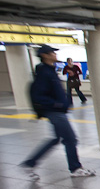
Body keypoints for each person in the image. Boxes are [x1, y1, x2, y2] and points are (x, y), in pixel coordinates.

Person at [21, 45, 95, 179]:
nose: (55, 55)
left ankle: (30, 163)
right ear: (45, 55)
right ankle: (75, 168)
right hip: (55, 112)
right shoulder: (44, 73)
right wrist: (57, 104)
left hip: (57, 111)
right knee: (70, 139)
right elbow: (39, 95)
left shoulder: (49, 70)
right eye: (52, 53)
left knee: (56, 139)